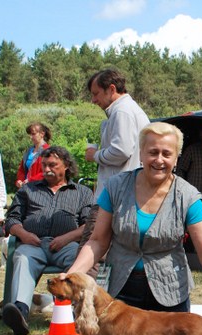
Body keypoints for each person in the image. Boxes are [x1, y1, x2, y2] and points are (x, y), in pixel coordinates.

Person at [65, 122, 202, 335]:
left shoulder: (188, 197)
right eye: (153, 152)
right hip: (120, 293)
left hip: (170, 294)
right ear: (141, 154)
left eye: (167, 153)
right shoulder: (115, 187)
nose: (159, 160)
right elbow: (97, 241)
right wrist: (71, 275)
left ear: (176, 159)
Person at [2, 146, 94, 335]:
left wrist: (67, 238)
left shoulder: (82, 192)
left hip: (67, 244)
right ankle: (20, 312)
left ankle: (74, 312)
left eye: (52, 165)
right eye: (43, 165)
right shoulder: (28, 189)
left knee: (80, 260)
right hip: (33, 244)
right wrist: (24, 235)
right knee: (22, 258)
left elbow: (89, 225)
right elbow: (12, 220)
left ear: (66, 165)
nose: (46, 169)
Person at [80, 68, 150, 275]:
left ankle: (78, 295)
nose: (93, 100)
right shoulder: (127, 110)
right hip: (125, 194)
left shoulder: (122, 111)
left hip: (113, 197)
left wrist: (95, 155)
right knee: (105, 259)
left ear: (111, 89)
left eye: (96, 94)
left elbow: (121, 150)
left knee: (89, 256)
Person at [15, 122, 52, 188]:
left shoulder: (49, 151)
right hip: (27, 189)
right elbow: (21, 169)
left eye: (33, 134)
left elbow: (48, 172)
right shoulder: (28, 151)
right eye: (30, 134)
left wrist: (31, 180)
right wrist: (20, 180)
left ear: (42, 134)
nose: (31, 137)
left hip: (41, 189)